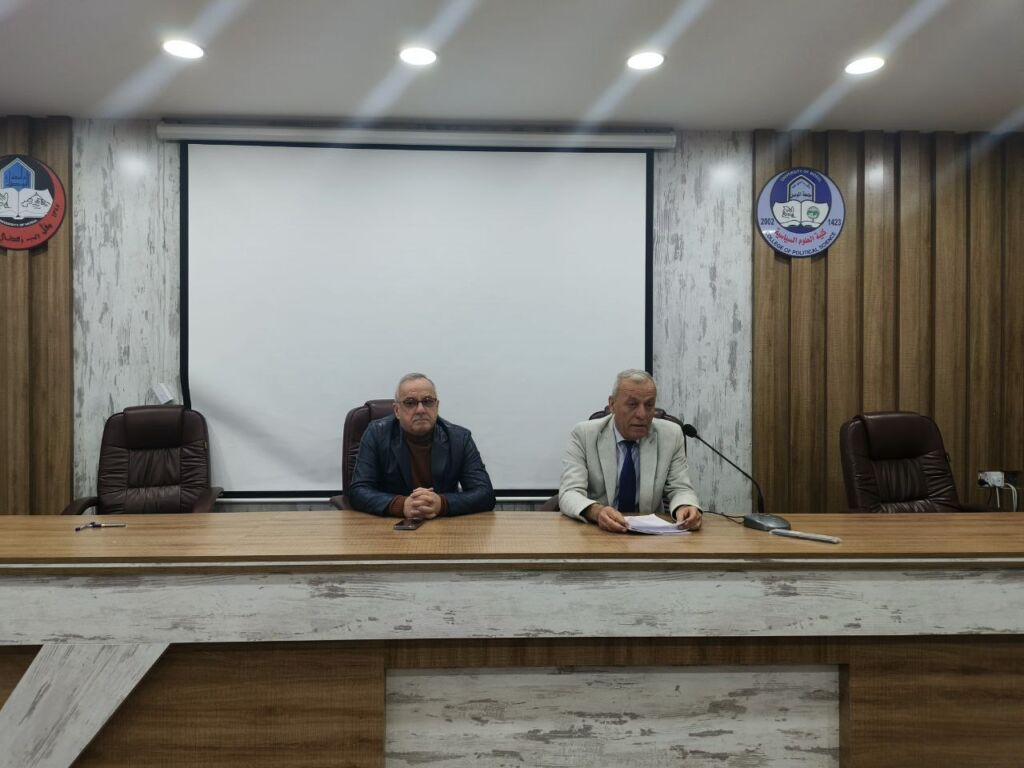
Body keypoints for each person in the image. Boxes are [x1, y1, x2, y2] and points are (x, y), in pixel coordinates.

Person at [558, 369, 702, 533]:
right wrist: (596, 512)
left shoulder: (671, 435)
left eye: (649, 405)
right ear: (612, 404)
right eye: (632, 404)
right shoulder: (584, 435)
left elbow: (680, 488)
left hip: (651, 535)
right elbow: (570, 492)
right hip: (598, 532)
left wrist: (685, 506)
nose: (642, 414)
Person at [349, 373, 496, 518]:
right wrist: (401, 505)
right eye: (410, 403)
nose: (420, 409)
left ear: (436, 406)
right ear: (397, 410)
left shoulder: (459, 438)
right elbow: (358, 491)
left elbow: (485, 494)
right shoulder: (376, 434)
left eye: (427, 401)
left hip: (444, 525)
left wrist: (442, 503)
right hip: (390, 525)